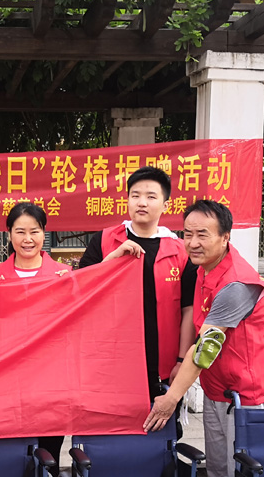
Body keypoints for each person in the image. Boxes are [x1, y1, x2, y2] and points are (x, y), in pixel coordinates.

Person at [143, 199, 264, 477]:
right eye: (187, 234)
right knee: (219, 473)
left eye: (202, 235)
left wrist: (171, 399)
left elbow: (205, 349)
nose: (193, 243)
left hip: (246, 396)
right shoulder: (204, 269)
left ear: (225, 237)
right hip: (217, 389)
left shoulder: (236, 284)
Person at [78, 166, 197, 400]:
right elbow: (82, 290)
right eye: (135, 195)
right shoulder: (104, 241)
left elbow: (188, 310)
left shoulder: (181, 252)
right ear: (127, 200)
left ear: (165, 205)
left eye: (151, 197)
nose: (142, 202)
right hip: (110, 362)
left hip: (161, 365)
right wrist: (112, 260)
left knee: (160, 419)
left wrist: (182, 360)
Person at [0, 202, 71, 462]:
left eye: (34, 231)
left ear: (44, 233)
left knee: (49, 456)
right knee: (12, 457)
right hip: (8, 384)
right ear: (9, 234)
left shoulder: (64, 276)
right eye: (20, 232)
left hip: (51, 383)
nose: (28, 239)